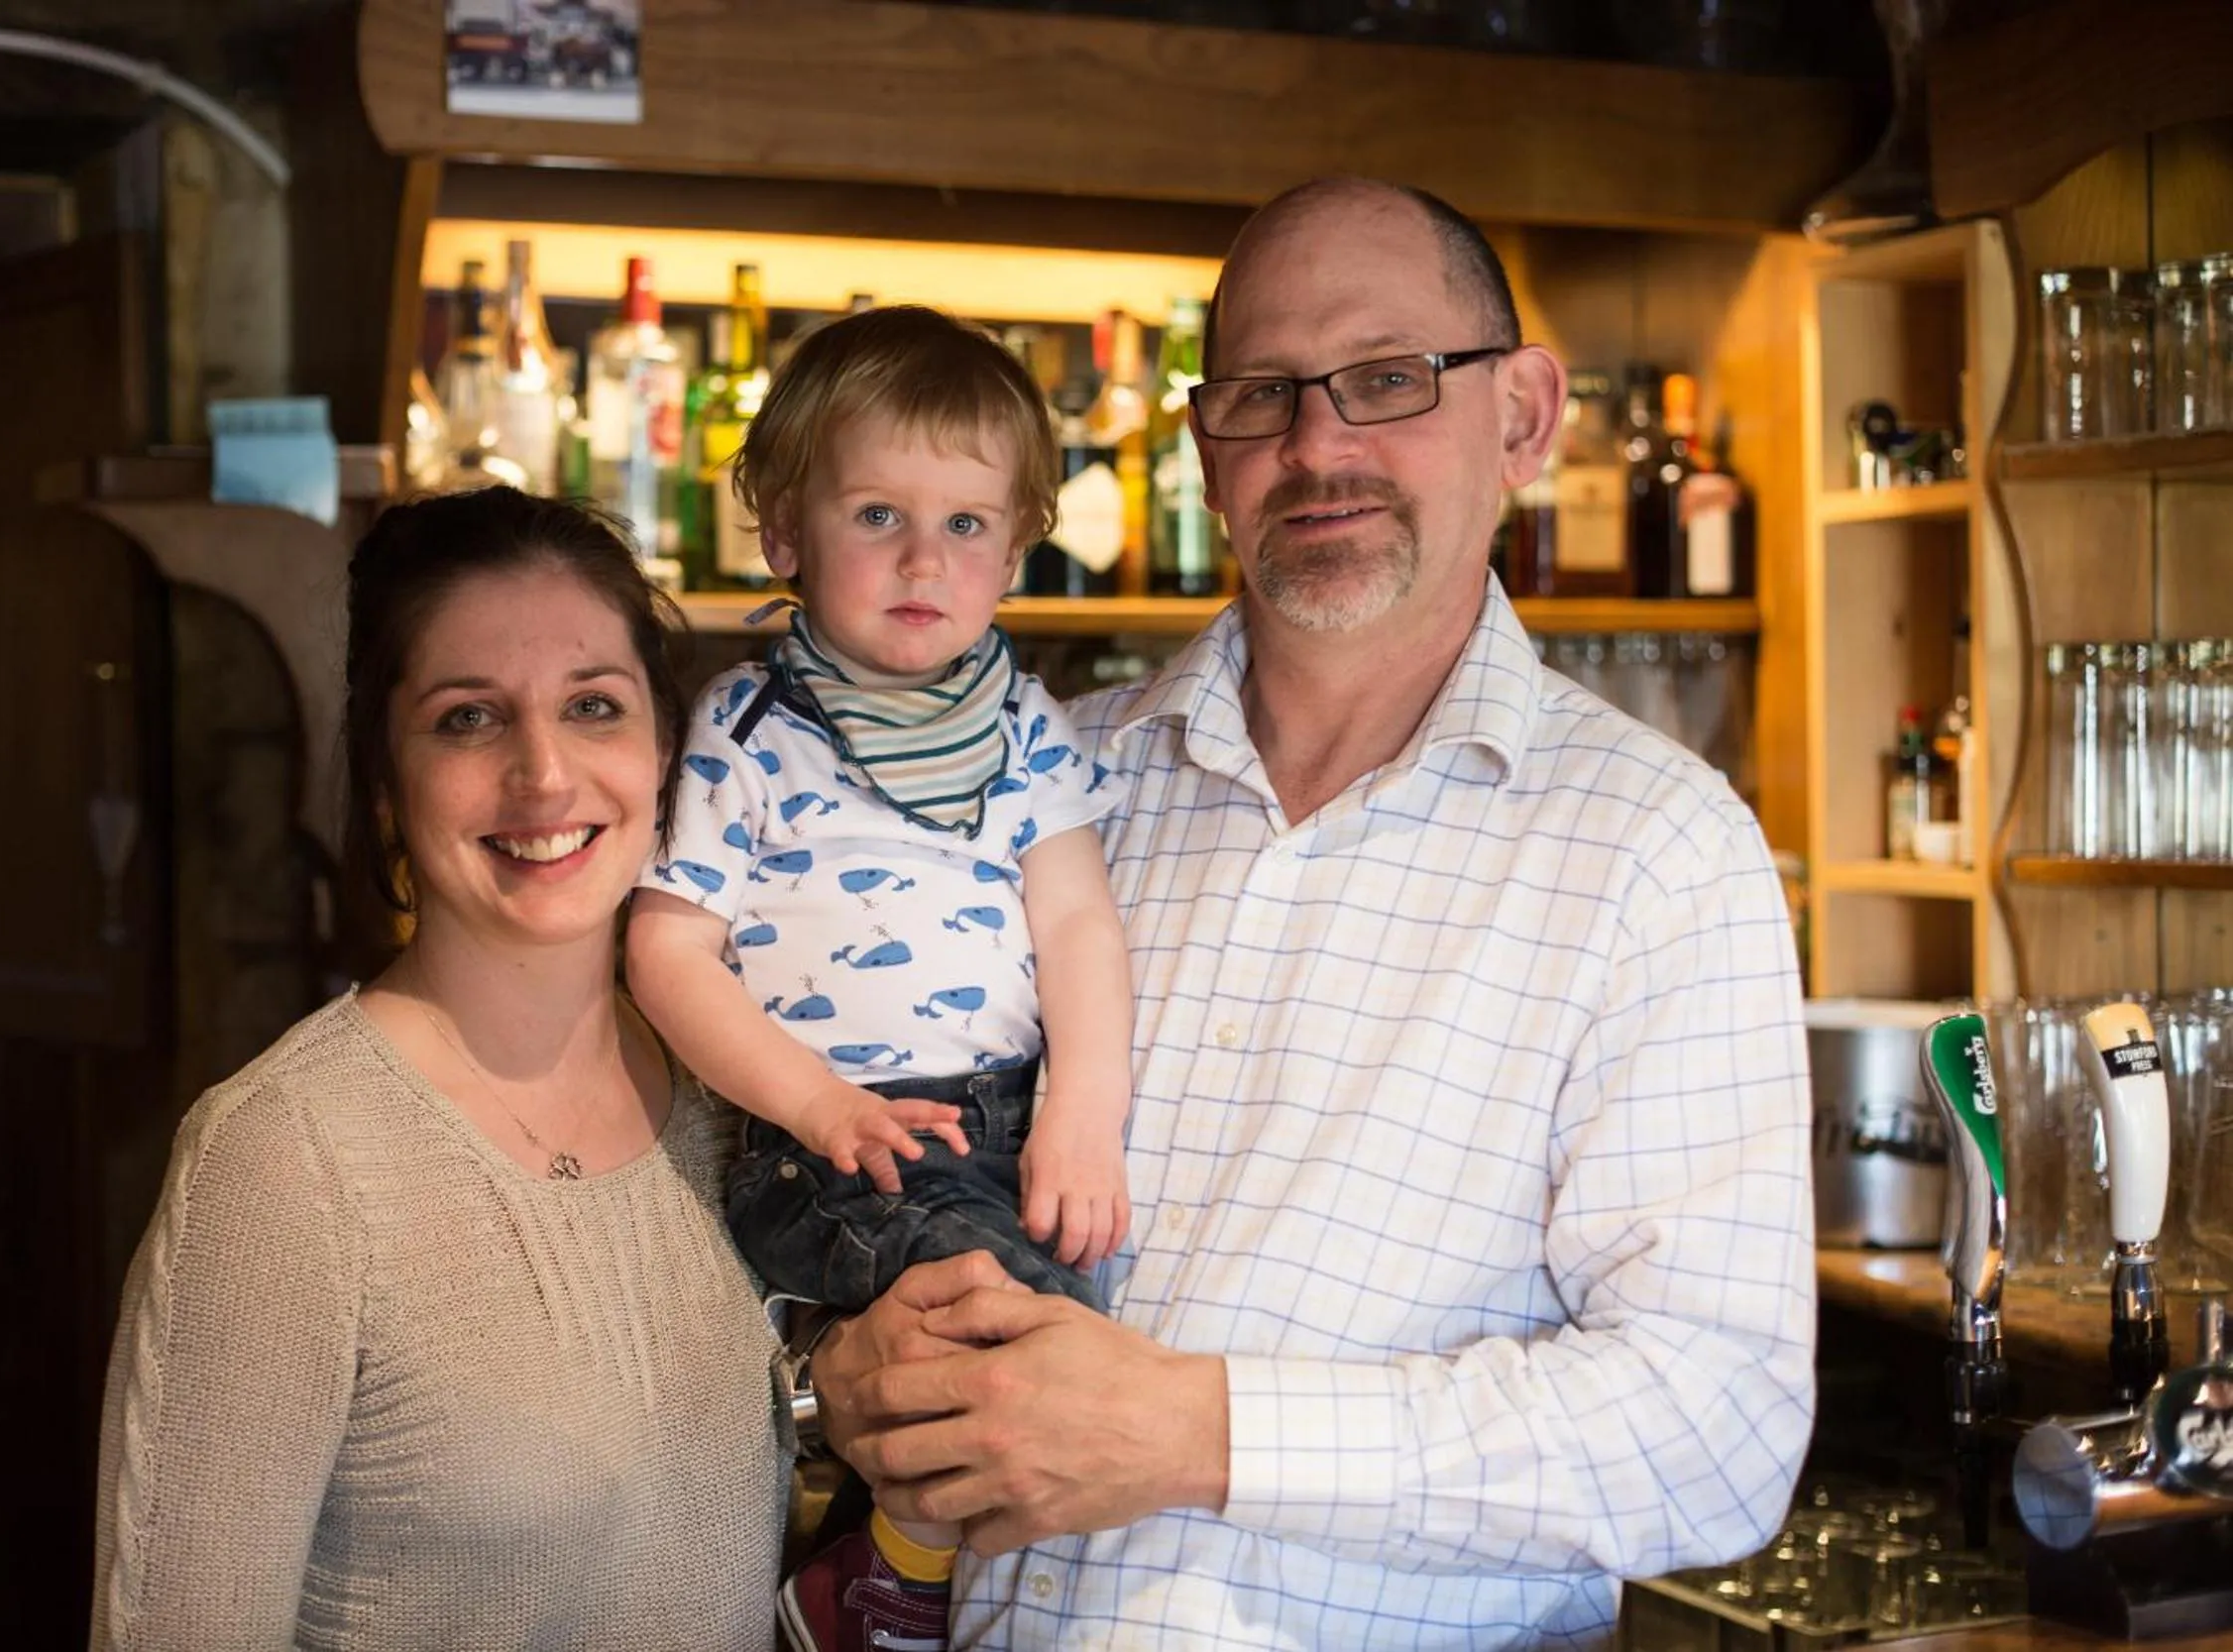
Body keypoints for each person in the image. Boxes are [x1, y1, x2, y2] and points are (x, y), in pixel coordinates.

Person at [812, 177, 1817, 1648]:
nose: (1317, 443)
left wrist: (1198, 1428)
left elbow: (1716, 1427)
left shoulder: (1655, 850)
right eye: (1262, 393)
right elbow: (833, 1143)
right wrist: (832, 1364)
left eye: (1388, 379)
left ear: (1525, 417)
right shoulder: (1039, 783)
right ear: (1205, 449)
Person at [88, 488, 786, 1651]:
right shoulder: (281, 1161)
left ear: (666, 758)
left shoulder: (733, 1096)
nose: (545, 773)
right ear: (384, 790)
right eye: (469, 718)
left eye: (594, 706)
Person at [626, 305, 1135, 1652]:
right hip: (833, 1139)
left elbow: (1079, 927)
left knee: (1063, 1325)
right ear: (786, 532)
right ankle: (883, 1580)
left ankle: (890, 1556)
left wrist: (1081, 1113)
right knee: (990, 1313)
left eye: (968, 523)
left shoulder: (1022, 722)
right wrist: (817, 1107)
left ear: (1019, 545)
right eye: (876, 515)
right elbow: (667, 949)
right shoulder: (744, 723)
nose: (925, 554)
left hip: (1005, 1117)